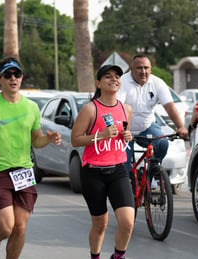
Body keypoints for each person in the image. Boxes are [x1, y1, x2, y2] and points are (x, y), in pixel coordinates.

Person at [0, 57, 61, 259]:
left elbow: (36, 140)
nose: (13, 78)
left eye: (16, 74)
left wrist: (48, 139)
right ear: (0, 79)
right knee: (7, 226)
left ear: (21, 77)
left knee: (20, 228)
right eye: (7, 75)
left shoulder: (32, 108)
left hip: (24, 171)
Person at [71, 65, 135, 259]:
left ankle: (118, 256)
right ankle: (95, 256)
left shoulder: (126, 109)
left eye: (117, 77)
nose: (113, 80)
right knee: (100, 224)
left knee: (127, 222)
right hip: (93, 173)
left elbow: (124, 135)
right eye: (108, 77)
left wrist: (127, 136)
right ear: (98, 83)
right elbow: (75, 139)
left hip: (118, 170)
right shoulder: (90, 109)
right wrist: (100, 136)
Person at [116, 54, 188, 171]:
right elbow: (118, 108)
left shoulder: (157, 83)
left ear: (150, 69)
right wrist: (124, 132)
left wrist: (180, 127)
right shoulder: (123, 81)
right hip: (124, 131)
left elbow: (169, 107)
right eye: (139, 68)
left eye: (146, 68)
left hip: (146, 128)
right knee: (124, 167)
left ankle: (152, 172)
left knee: (162, 143)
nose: (143, 71)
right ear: (132, 68)